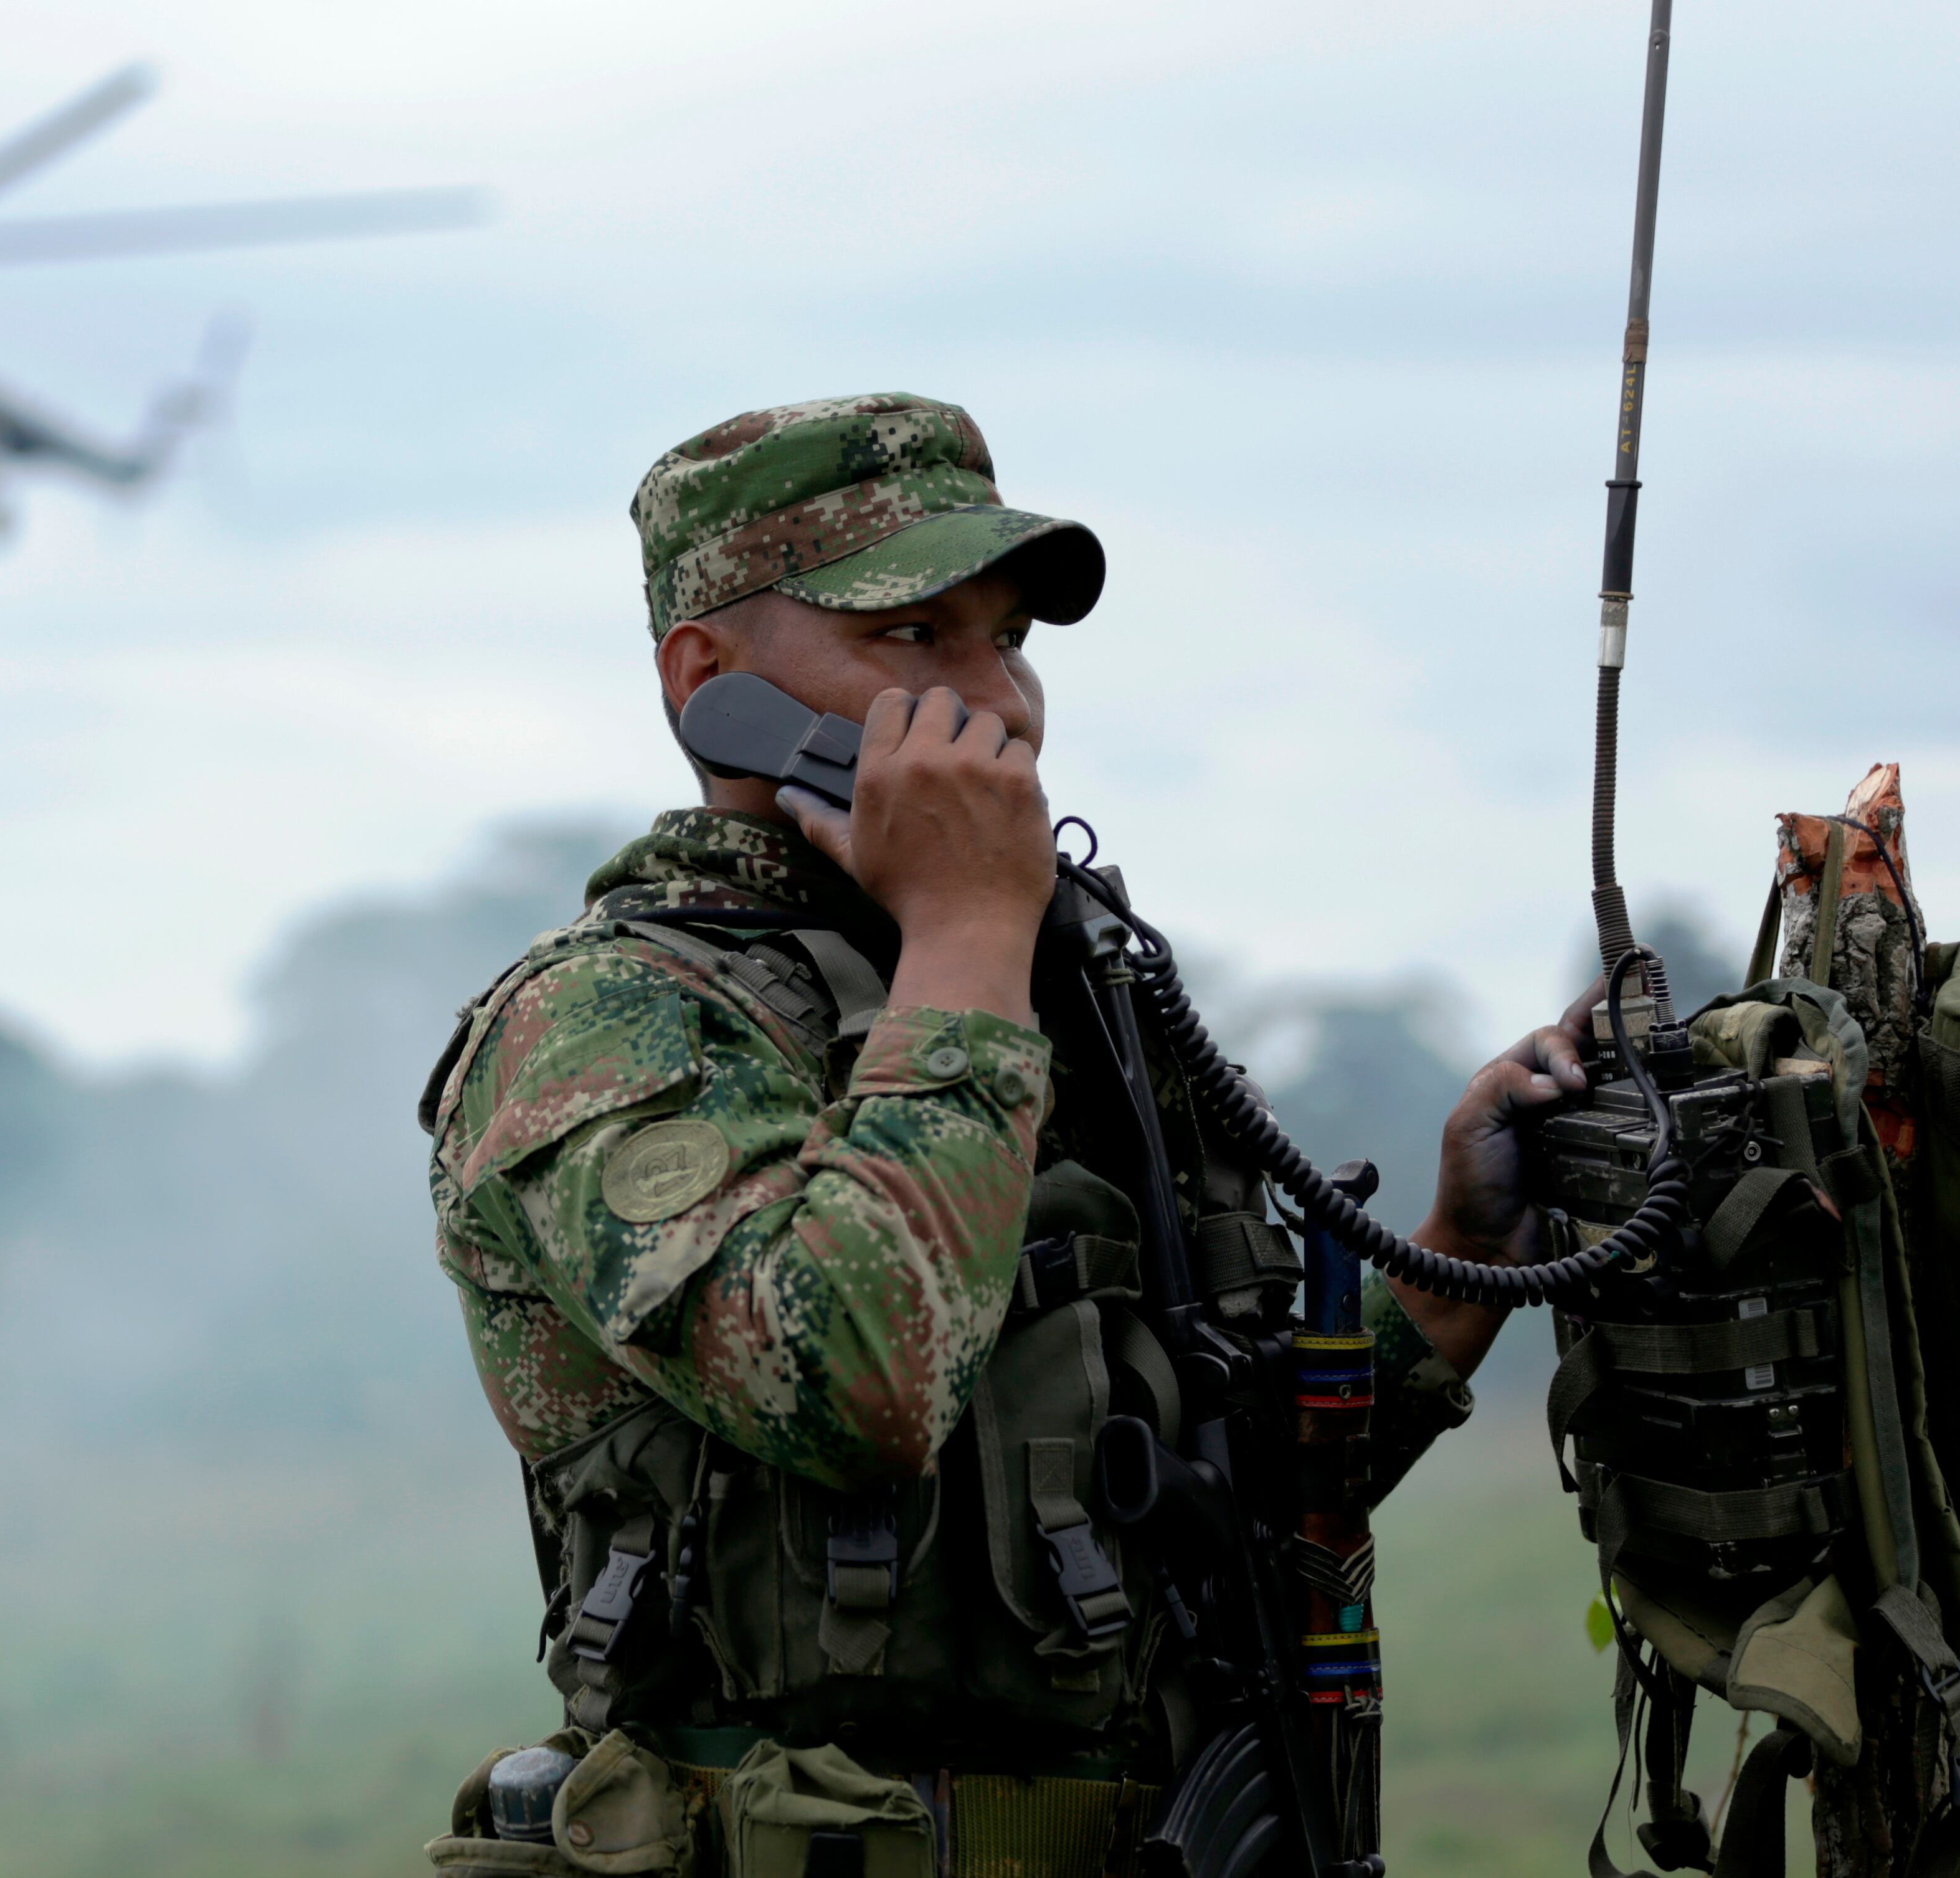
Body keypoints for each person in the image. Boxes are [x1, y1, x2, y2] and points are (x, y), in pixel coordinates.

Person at [419, 393, 1589, 1873]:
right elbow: (857, 1382)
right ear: (708, 680)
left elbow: (1207, 1502)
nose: (1004, 700)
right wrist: (968, 922)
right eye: (913, 639)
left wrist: (1452, 1261)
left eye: (1011, 638)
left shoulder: (1053, 986)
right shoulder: (606, 1019)